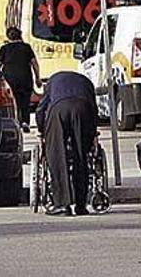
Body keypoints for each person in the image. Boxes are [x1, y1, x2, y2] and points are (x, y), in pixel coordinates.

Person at [36, 71, 100, 217]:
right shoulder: (86, 82)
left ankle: (62, 204)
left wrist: (41, 130)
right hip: (83, 109)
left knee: (57, 155)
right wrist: (93, 134)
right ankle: (81, 205)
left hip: (59, 109)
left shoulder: (52, 81)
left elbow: (42, 108)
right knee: (81, 156)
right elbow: (94, 110)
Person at [0, 27, 41, 133]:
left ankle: (15, 122)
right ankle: (25, 122)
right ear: (20, 35)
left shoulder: (4, 48)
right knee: (25, 102)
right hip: (25, 78)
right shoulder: (26, 48)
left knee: (13, 102)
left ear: (8, 36)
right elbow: (34, 63)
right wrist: (38, 78)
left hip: (10, 79)